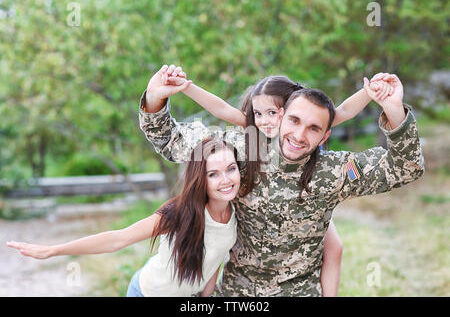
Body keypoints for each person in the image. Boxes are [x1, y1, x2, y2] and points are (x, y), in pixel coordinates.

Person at [139, 65, 425, 296]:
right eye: (295, 121)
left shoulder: (336, 171)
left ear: (325, 136)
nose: (300, 136)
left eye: (314, 128)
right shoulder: (240, 151)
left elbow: (406, 168)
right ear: (281, 116)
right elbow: (169, 139)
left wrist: (394, 110)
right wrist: (155, 98)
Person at [7, 137, 241, 297]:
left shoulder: (237, 214)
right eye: (214, 174)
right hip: (147, 292)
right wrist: (53, 250)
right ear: (201, 179)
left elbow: (214, 261)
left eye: (231, 169)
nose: (226, 180)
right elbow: (118, 239)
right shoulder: (180, 213)